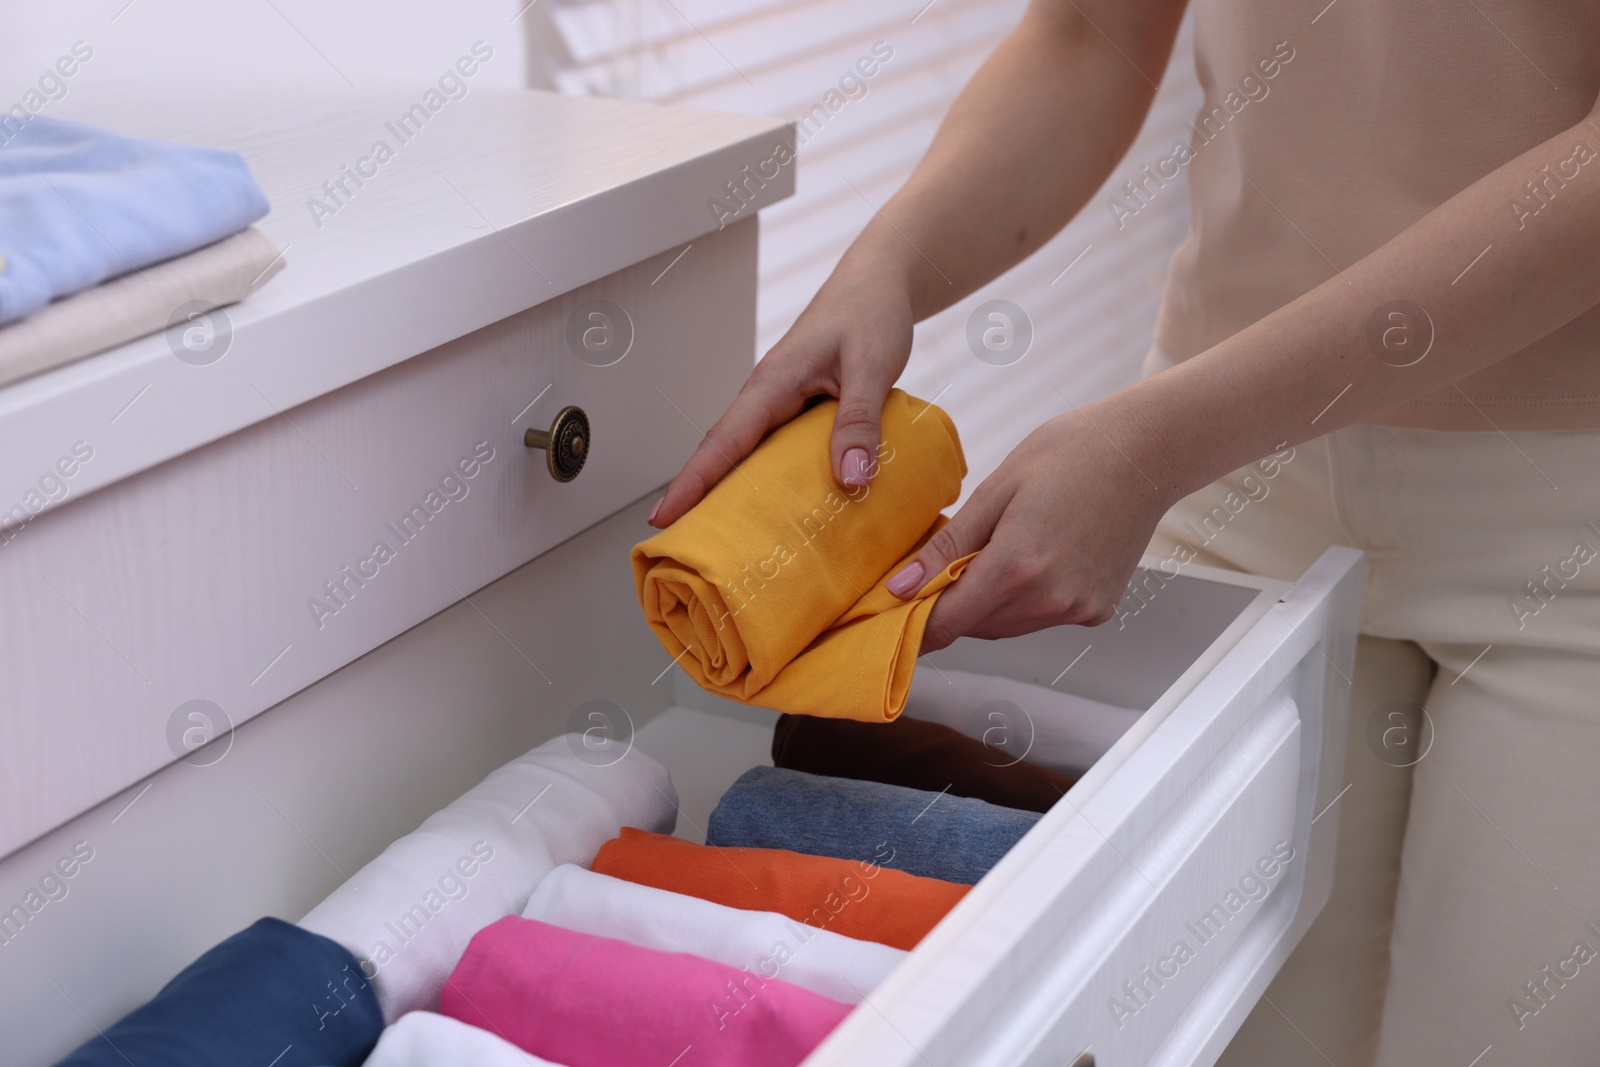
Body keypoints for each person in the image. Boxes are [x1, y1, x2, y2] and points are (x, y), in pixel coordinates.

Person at [650, 1, 1600, 1063]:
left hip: (1563, 521)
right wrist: (888, 265)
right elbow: (1087, 38)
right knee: (1216, 1020)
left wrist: (1160, 443)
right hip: (1240, 472)